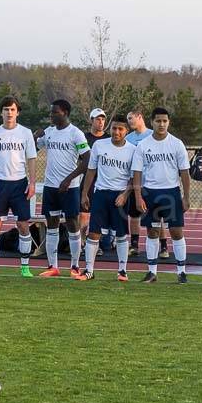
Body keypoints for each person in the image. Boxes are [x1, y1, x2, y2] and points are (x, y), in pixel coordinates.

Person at [0, 95, 38, 278]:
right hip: (0, 185)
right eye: (6, 109)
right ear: (1, 112)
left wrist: (32, 182)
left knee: (23, 225)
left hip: (20, 185)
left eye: (12, 109)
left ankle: (25, 267)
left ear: (17, 112)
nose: (9, 112)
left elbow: (32, 159)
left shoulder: (25, 133)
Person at [132, 107, 191, 284]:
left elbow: (184, 173)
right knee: (152, 231)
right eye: (158, 121)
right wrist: (138, 197)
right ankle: (152, 272)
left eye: (165, 121)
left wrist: (186, 197)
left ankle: (181, 272)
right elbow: (137, 173)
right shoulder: (143, 145)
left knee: (176, 232)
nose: (162, 124)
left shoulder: (177, 143)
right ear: (152, 122)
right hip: (150, 193)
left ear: (168, 122)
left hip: (171, 192)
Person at [33, 99, 90, 278]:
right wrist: (35, 136)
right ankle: (53, 266)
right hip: (50, 187)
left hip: (70, 187)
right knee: (52, 225)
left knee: (73, 224)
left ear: (64, 112)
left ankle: (74, 266)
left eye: (54, 112)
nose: (51, 115)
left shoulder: (76, 134)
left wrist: (69, 179)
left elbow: (87, 159)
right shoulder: (49, 132)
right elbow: (32, 149)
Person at [78, 115, 136, 281]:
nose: (116, 132)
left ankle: (122, 271)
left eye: (120, 129)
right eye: (114, 128)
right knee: (94, 233)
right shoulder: (99, 144)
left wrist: (125, 194)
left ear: (126, 131)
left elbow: (134, 177)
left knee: (121, 235)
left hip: (120, 196)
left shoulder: (132, 150)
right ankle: (89, 270)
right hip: (101, 193)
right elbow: (91, 170)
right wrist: (84, 194)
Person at [124, 109, 151, 257]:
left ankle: (163, 246)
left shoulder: (152, 135)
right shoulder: (128, 138)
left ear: (140, 117)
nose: (129, 121)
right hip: (135, 181)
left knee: (153, 216)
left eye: (131, 118)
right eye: (128, 119)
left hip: (151, 182)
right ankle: (134, 245)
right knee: (134, 215)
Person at [79, 107, 108, 246]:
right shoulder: (84, 138)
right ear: (92, 120)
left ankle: (98, 243)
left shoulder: (108, 138)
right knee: (84, 213)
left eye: (103, 119)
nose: (101, 122)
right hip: (87, 180)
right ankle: (82, 242)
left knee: (100, 215)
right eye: (98, 119)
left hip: (104, 181)